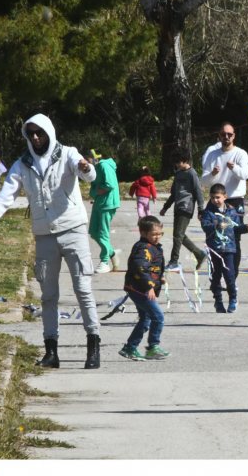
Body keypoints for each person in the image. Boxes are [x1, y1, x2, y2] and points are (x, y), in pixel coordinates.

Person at [0, 114, 102, 369]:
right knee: (48, 295)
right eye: (31, 133)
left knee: (83, 290)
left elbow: (87, 174)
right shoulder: (22, 164)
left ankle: (93, 346)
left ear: (49, 132)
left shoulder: (67, 153)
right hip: (44, 235)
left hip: (73, 229)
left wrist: (86, 167)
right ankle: (51, 352)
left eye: (40, 132)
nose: (35, 137)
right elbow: (4, 197)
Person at [201, 122, 248, 278]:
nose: (226, 137)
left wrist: (233, 168)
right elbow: (204, 182)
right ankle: (215, 276)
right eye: (223, 134)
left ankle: (231, 276)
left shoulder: (241, 154)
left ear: (234, 136)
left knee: (234, 239)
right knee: (212, 237)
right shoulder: (212, 154)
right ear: (219, 136)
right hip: (215, 200)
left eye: (229, 134)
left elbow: (245, 175)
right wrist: (213, 174)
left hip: (234, 200)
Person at [119, 215, 170, 361]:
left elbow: (151, 267)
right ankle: (153, 347)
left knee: (146, 319)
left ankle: (129, 348)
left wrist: (159, 278)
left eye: (160, 234)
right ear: (143, 233)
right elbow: (140, 268)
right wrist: (149, 287)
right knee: (158, 317)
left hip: (140, 288)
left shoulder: (152, 247)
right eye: (154, 234)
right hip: (140, 289)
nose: (157, 237)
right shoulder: (143, 248)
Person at [200, 183, 248, 313]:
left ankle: (233, 299)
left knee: (230, 276)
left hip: (229, 249)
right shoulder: (208, 212)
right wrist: (217, 226)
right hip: (214, 249)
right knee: (215, 276)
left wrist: (245, 228)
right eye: (212, 197)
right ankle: (218, 301)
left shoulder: (231, 210)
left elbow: (236, 227)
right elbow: (205, 226)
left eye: (218, 197)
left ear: (225, 196)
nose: (215, 200)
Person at [160, 148, 206, 271]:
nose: (176, 165)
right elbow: (174, 193)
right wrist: (166, 207)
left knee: (178, 235)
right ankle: (199, 254)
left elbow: (198, 192)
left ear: (185, 160)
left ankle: (174, 261)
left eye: (178, 162)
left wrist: (201, 209)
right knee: (179, 234)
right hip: (178, 206)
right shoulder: (178, 173)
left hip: (186, 207)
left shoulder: (192, 173)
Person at [88, 152, 121, 274]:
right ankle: (112, 252)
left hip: (108, 204)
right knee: (93, 232)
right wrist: (97, 190)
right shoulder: (93, 170)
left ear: (93, 159)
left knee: (102, 233)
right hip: (98, 203)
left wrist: (98, 190)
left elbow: (109, 185)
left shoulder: (103, 165)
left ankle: (104, 261)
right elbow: (92, 192)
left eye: (88, 161)